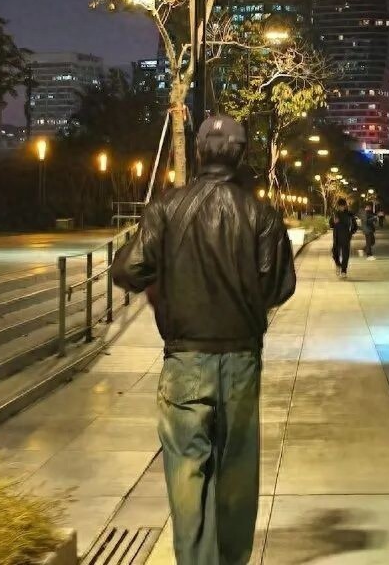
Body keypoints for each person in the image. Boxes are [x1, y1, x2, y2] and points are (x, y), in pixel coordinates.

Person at [112, 115, 296, 565]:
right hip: (241, 359)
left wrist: (165, 283)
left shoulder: (165, 209)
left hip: (185, 359)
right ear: (241, 154)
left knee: (187, 469)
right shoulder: (261, 215)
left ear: (197, 152)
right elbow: (280, 287)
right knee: (237, 470)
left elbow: (128, 269)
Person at [330, 197, 357, 278]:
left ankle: (344, 271)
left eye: (342, 206)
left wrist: (350, 233)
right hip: (336, 237)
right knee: (334, 253)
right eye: (339, 206)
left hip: (346, 237)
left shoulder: (349, 215)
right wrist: (333, 222)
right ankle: (338, 264)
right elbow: (331, 224)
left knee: (345, 255)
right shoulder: (335, 214)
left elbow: (355, 226)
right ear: (338, 206)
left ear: (345, 206)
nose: (341, 207)